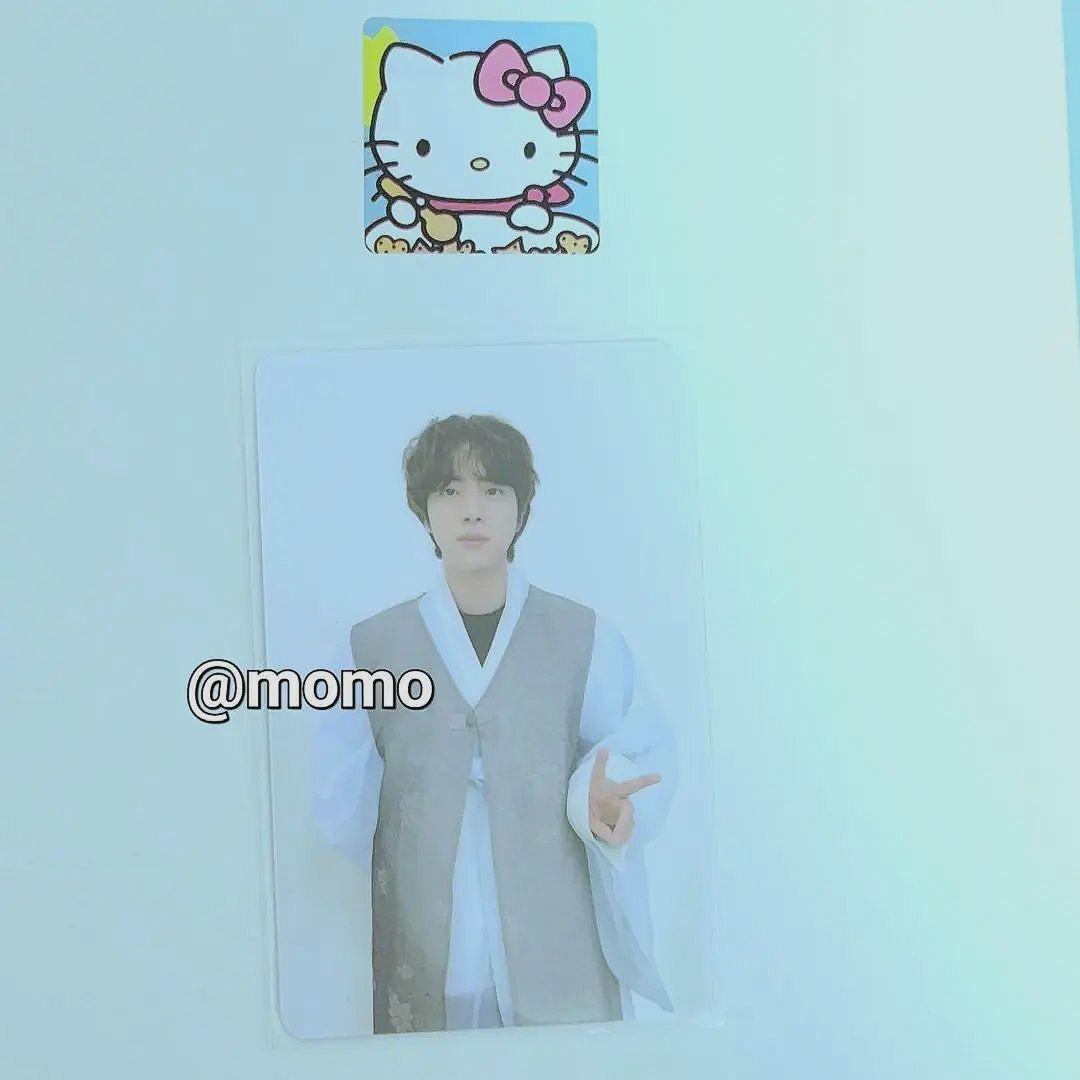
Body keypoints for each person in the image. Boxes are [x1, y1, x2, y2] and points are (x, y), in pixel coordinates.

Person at [312, 414, 677, 1033]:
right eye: (449, 491)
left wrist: (603, 806)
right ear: (424, 512)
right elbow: (341, 806)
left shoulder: (583, 637)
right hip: (427, 943)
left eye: (493, 490)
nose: (472, 511)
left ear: (520, 510)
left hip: (557, 933)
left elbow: (635, 752)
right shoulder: (369, 649)